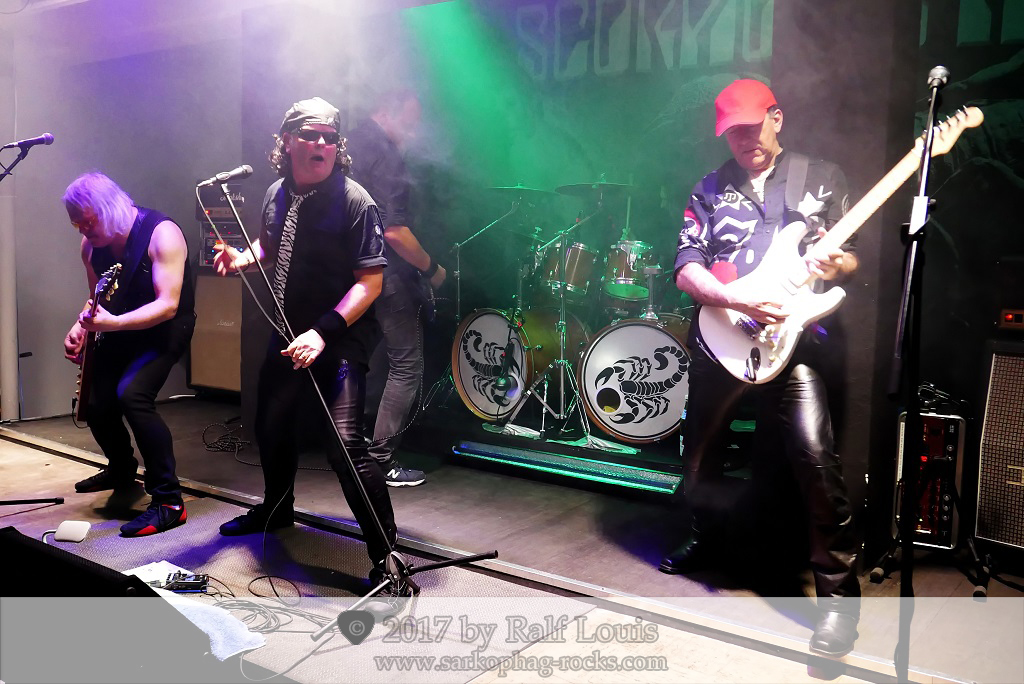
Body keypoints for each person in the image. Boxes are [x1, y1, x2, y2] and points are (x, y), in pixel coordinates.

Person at [663, 79, 861, 656]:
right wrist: (735, 300)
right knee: (701, 455)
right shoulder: (708, 188)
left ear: (777, 117)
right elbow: (686, 267)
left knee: (816, 460)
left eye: (752, 128)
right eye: (734, 134)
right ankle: (707, 539)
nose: (745, 141)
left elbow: (849, 261)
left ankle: (838, 604)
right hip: (721, 338)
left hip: (791, 344)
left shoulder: (820, 178)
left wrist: (836, 263)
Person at [212, 97, 401, 584]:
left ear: (339, 146)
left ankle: (387, 558)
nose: (321, 144)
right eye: (310, 135)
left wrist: (322, 333)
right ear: (287, 141)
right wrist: (242, 258)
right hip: (288, 332)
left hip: (339, 337)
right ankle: (277, 511)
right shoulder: (276, 192)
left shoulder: (356, 201)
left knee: (345, 446)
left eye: (330, 138)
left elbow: (369, 284)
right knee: (271, 427)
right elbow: (271, 243)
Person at [63, 172, 195, 537]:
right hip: (120, 325)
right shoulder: (91, 246)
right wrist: (81, 326)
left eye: (88, 222)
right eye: (76, 224)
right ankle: (121, 469)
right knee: (95, 402)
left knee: (133, 395)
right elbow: (97, 299)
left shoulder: (162, 234)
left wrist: (113, 324)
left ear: (109, 208)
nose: (83, 231)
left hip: (165, 329)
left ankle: (169, 501)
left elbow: (168, 306)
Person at [346, 90, 444, 487]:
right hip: (386, 276)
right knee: (405, 365)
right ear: (386, 110)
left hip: (351, 275)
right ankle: (381, 460)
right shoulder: (387, 157)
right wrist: (433, 269)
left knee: (357, 359)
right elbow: (395, 232)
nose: (413, 131)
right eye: (409, 120)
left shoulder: (348, 145)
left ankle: (350, 446)